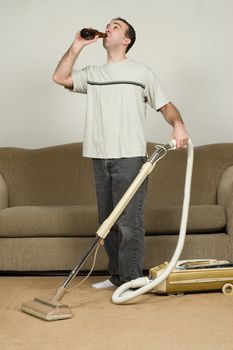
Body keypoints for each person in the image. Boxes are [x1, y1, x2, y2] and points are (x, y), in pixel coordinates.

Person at [53, 17, 189, 289]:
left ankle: (131, 279)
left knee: (129, 222)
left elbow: (165, 105)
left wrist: (178, 124)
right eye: (109, 25)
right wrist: (78, 44)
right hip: (99, 157)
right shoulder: (93, 74)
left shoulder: (141, 73)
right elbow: (60, 77)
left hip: (129, 157)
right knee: (108, 222)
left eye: (115, 26)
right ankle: (117, 276)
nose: (108, 28)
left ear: (126, 40)